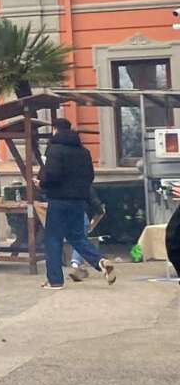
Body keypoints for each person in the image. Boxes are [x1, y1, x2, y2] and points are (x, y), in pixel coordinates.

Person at [40, 118, 114, 287]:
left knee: (53, 239)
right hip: (78, 201)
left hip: (58, 200)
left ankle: (55, 281)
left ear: (55, 130)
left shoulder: (54, 150)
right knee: (77, 236)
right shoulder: (84, 152)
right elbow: (90, 177)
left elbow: (52, 175)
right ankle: (100, 261)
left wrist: (42, 184)